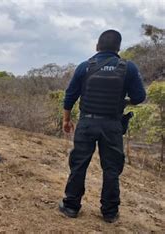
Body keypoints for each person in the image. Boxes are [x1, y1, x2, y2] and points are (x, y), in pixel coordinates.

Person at [59, 30, 146, 223]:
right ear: (118, 48)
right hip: (112, 125)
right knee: (111, 169)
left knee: (79, 164)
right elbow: (140, 97)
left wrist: (66, 120)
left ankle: (71, 207)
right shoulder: (128, 68)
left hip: (87, 123)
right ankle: (110, 212)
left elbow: (70, 96)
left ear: (97, 46)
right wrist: (124, 102)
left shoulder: (85, 67)